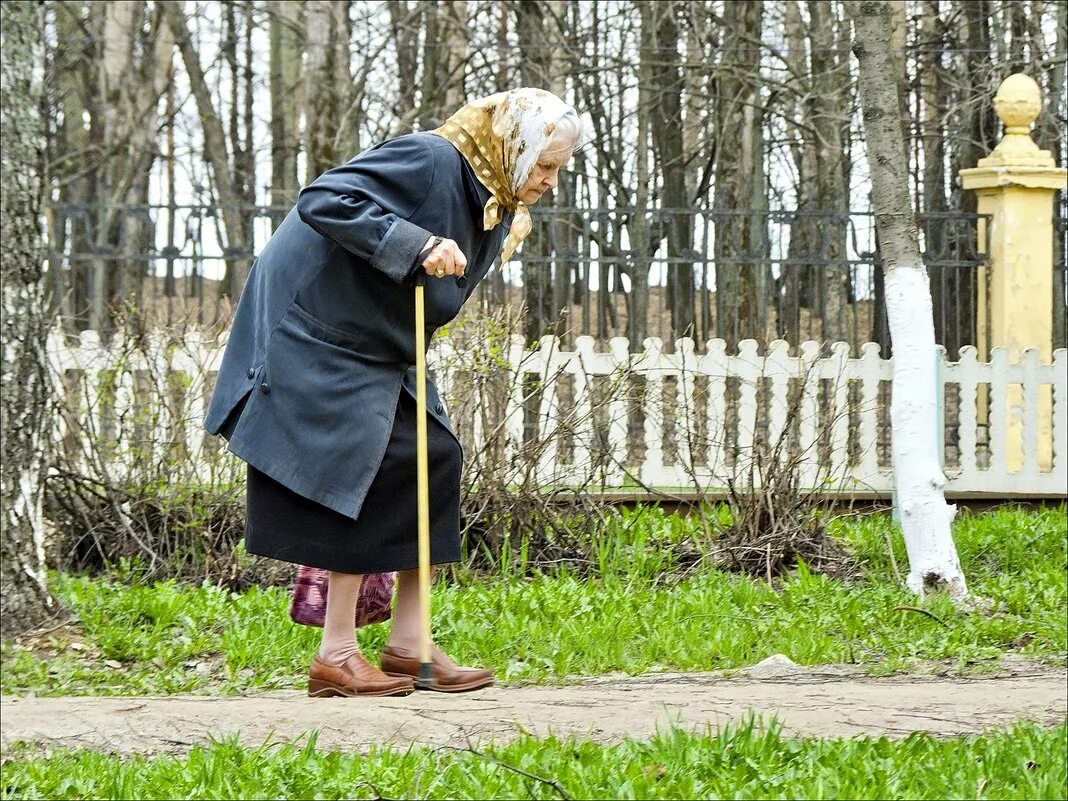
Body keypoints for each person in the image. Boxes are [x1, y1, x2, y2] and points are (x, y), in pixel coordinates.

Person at [204, 88, 583, 697]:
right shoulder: (433, 160)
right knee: (371, 463)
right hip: (315, 327)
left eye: (557, 169)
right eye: (544, 165)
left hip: (378, 340)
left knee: (433, 453)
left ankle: (409, 645)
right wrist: (418, 243)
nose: (550, 181)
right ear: (513, 148)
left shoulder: (496, 203)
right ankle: (336, 653)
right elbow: (322, 198)